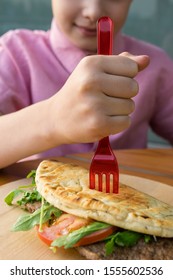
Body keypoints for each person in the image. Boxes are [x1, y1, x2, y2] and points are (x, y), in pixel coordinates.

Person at [0, 0, 172, 169]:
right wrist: (52, 118)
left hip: (132, 193)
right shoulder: (13, 53)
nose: (93, 12)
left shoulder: (156, 65)